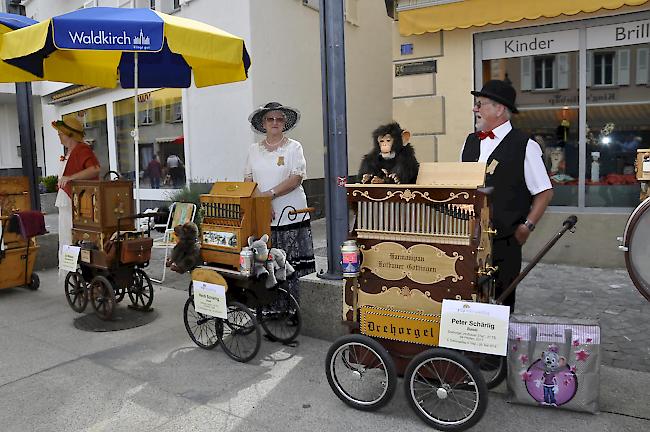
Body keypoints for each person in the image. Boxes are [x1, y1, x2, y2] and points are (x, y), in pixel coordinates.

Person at [460, 80, 553, 312]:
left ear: (499, 109)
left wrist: (527, 226)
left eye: (480, 104)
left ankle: (499, 348)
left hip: (504, 242)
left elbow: (544, 191)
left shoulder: (525, 145)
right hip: (470, 239)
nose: (475, 109)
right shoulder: (470, 142)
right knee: (467, 301)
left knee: (500, 305)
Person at [244, 102, 316, 308]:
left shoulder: (294, 147)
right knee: (267, 263)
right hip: (264, 217)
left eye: (279, 119)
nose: (275, 122)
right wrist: (262, 201)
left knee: (292, 262)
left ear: (284, 123)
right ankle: (271, 308)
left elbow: (296, 178)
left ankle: (295, 309)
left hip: (292, 214)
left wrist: (270, 195)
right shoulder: (253, 150)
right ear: (263, 123)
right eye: (270, 119)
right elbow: (248, 179)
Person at [52, 116, 101, 263]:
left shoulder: (82, 149)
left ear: (69, 135)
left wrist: (71, 177)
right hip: (68, 201)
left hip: (76, 202)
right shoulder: (70, 152)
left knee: (71, 236)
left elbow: (95, 169)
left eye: (61, 133)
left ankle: (73, 267)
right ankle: (70, 269)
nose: (59, 136)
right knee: (66, 235)